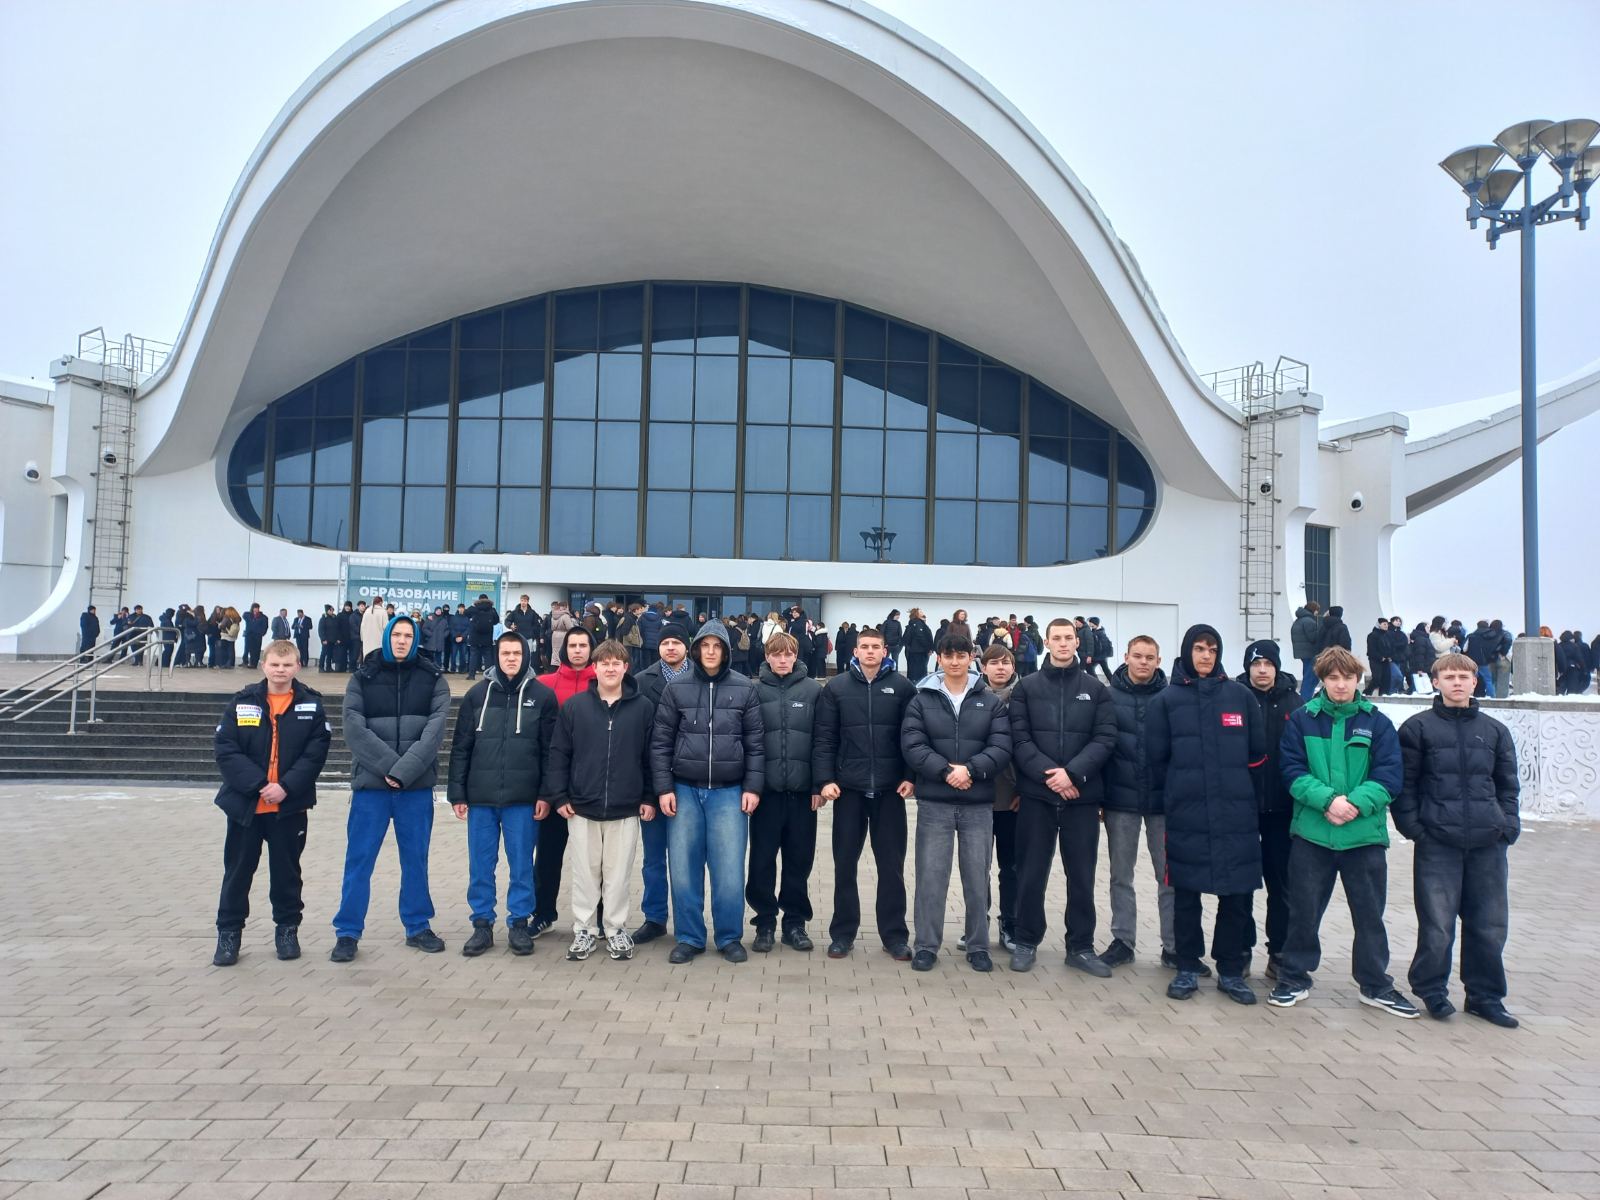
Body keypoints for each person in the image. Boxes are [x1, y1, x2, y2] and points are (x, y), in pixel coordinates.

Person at [1269, 646, 1417, 1017]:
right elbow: (1291, 770)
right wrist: (1328, 801)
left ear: (1358, 680)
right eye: (1333, 678)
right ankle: (1294, 978)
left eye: (1348, 678)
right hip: (1313, 834)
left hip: (1363, 836)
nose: (1340, 685)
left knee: (1369, 916)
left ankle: (1375, 984)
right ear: (1322, 680)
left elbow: (1389, 775)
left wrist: (1353, 804)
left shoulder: (1377, 723)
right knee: (1303, 913)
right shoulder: (1302, 720)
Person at [1393, 652, 1521, 1027]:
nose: (1457, 683)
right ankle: (1432, 990)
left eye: (1464, 677)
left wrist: (1507, 826)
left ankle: (1485, 996)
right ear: (1436, 682)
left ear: (1475, 682)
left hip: (1488, 843)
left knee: (1489, 925)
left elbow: (1508, 786)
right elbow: (1405, 787)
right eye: (1449, 677)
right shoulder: (1417, 729)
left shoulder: (1494, 731)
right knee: (1437, 924)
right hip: (1438, 843)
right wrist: (1415, 829)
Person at [1145, 624, 1267, 1004]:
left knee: (1237, 896)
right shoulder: (1166, 701)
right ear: (1187, 652)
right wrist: (1177, 795)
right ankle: (1186, 966)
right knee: (1186, 894)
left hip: (1236, 815)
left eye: (1212, 650)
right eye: (1199, 648)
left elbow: (1257, 755)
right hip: (1187, 814)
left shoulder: (1240, 697)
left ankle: (1230, 971)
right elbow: (1156, 760)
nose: (1206, 656)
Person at [330, 613, 452, 962]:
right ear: (387, 637)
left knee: (415, 860)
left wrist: (405, 772)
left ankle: (417, 925)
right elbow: (353, 728)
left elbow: (435, 731)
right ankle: (347, 932)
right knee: (359, 860)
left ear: (416, 640)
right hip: (372, 787)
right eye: (396, 634)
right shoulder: (362, 677)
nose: (401, 640)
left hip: (415, 789)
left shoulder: (433, 678)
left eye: (408, 636)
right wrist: (391, 769)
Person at [210, 638, 332, 966]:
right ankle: (229, 934)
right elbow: (226, 748)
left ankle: (287, 931)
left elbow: (315, 753)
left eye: (287, 665)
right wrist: (261, 785)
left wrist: (286, 787)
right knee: (237, 873)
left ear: (298, 667)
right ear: (263, 665)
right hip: (247, 808)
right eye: (275, 664)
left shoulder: (311, 705)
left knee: (287, 874)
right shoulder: (242, 702)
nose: (280, 670)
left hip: (288, 808)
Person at [650, 619, 765, 963]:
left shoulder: (744, 688)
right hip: (684, 790)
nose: (711, 652)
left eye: (717, 646)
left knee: (729, 870)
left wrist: (752, 786)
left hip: (729, 793)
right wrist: (664, 788)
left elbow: (755, 744)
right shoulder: (677, 688)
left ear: (726, 651)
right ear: (696, 649)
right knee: (683, 869)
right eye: (705, 645)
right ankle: (689, 937)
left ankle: (729, 937)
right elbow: (661, 743)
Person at [1008, 618, 1117, 975]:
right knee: (1031, 873)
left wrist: (1073, 774)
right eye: (1056, 638)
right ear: (1047, 642)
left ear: (1077, 642)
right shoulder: (1026, 688)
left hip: (1081, 798)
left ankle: (1081, 947)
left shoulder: (1096, 689)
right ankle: (1026, 940)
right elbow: (1020, 740)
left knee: (1082, 877)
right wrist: (1051, 777)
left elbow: (1104, 739)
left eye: (1069, 637)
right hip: (1037, 798)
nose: (1063, 643)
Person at [901, 632, 1012, 973]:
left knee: (977, 878)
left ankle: (978, 945)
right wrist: (947, 771)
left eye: (961, 655)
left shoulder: (989, 701)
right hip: (935, 802)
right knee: (931, 878)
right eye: (948, 655)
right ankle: (926, 945)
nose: (954, 661)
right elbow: (913, 744)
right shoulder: (921, 699)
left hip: (977, 803)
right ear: (938, 658)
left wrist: (971, 770)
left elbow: (1001, 746)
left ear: (971, 659)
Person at [545, 639, 657, 961]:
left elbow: (651, 757)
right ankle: (584, 930)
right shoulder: (575, 707)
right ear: (594, 668)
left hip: (625, 807)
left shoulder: (643, 708)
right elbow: (559, 754)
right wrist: (559, 796)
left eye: (616, 663)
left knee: (618, 875)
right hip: (582, 807)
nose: (610, 668)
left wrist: (648, 796)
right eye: (604, 663)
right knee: (585, 873)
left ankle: (616, 929)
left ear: (626, 668)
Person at [448, 630, 556, 958]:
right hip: (480, 798)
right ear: (497, 656)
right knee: (481, 865)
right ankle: (482, 924)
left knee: (521, 865)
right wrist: (457, 793)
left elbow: (550, 752)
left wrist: (546, 794)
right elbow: (461, 747)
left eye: (516, 653)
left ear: (526, 656)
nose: (511, 659)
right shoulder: (476, 695)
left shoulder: (542, 696)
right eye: (505, 653)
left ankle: (519, 923)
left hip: (523, 799)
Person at [811, 625, 916, 961]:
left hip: (890, 791)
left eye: (876, 646)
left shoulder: (903, 687)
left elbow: (912, 737)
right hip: (849, 792)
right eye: (864, 646)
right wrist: (825, 780)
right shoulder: (836, 688)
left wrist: (910, 776)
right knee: (845, 865)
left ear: (885, 651)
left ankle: (895, 936)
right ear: (855, 651)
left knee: (891, 867)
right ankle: (842, 934)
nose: (870, 651)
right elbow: (825, 738)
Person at [1096, 635, 1182, 973]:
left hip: (1164, 802)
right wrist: (1099, 797)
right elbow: (1101, 747)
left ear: (1158, 661)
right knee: (1121, 875)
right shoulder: (1107, 696)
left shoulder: (1172, 697)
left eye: (1149, 657)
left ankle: (1173, 947)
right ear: (1126, 657)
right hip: (1120, 800)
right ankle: (1123, 941)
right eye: (1137, 656)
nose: (1143, 662)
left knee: (1169, 876)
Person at [747, 631, 823, 953]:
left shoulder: (813, 691)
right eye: (776, 654)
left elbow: (822, 740)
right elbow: (747, 741)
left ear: (796, 656)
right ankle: (764, 923)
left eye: (788, 654)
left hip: (802, 794)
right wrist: (750, 786)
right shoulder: (752, 690)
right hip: (765, 795)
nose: (782, 660)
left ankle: (795, 923)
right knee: (762, 861)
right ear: (767, 657)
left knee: (798, 861)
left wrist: (819, 784)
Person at [1239, 639, 1304, 981]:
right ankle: (1240, 950)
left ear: (1277, 667)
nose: (1262, 670)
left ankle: (1279, 952)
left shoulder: (1296, 703)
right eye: (1256, 664)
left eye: (1268, 664)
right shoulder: (1234, 697)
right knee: (1241, 885)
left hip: (1282, 810)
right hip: (1242, 809)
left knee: (1283, 886)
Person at [631, 620, 693, 944]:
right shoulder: (642, 681)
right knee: (653, 858)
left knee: (686, 860)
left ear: (687, 646)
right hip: (653, 783)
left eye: (676, 642)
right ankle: (654, 918)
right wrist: (646, 792)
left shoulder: (701, 678)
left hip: (691, 782)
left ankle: (687, 921)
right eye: (665, 643)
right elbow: (639, 741)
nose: (670, 647)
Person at [970, 644, 1019, 953]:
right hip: (979, 797)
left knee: (1011, 867)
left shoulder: (1024, 698)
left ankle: (1010, 923)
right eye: (995, 663)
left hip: (1013, 799)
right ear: (983, 667)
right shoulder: (971, 696)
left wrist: (1024, 789)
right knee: (978, 867)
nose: (1001, 668)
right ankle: (977, 924)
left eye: (1006, 663)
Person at [1290, 601, 1322, 700]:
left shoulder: (1298, 620)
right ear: (1314, 610)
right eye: (1317, 611)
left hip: (1302, 653)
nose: (1317, 613)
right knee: (1311, 678)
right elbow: (1313, 637)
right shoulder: (1309, 621)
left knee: (1308, 676)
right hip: (1310, 652)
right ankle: (1305, 699)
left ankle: (1304, 696)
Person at [466, 593, 500, 679]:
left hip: (475, 637)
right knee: (488, 657)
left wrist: (473, 605)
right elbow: (496, 620)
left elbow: (466, 613)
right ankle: (488, 675)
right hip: (487, 637)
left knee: (473, 656)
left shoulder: (475, 608)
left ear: (479, 599)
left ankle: (471, 675)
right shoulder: (492, 609)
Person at [902, 608, 934, 683]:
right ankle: (919, 685)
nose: (922, 612)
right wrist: (928, 648)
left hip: (913, 651)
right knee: (920, 671)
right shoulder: (918, 624)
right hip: (920, 651)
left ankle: (913, 683)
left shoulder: (912, 624)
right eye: (920, 611)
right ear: (917, 614)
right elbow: (921, 637)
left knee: (913, 670)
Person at [1365, 618, 1394, 696]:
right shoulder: (1372, 635)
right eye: (1384, 624)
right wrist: (1380, 657)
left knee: (1386, 679)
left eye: (1387, 624)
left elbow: (1391, 647)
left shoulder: (1387, 635)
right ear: (1379, 625)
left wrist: (1390, 656)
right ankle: (1367, 692)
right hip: (1375, 660)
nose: (1386, 626)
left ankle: (1383, 695)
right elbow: (1371, 649)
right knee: (1377, 678)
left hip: (1386, 660)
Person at [242, 603, 269, 669]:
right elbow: (244, 615)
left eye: (257, 608)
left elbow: (265, 626)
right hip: (249, 635)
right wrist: (252, 614)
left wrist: (262, 633)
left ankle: (254, 664)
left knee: (256, 650)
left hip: (257, 636)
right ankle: (246, 662)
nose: (256, 609)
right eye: (254, 608)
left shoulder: (263, 617)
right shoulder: (248, 615)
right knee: (247, 649)